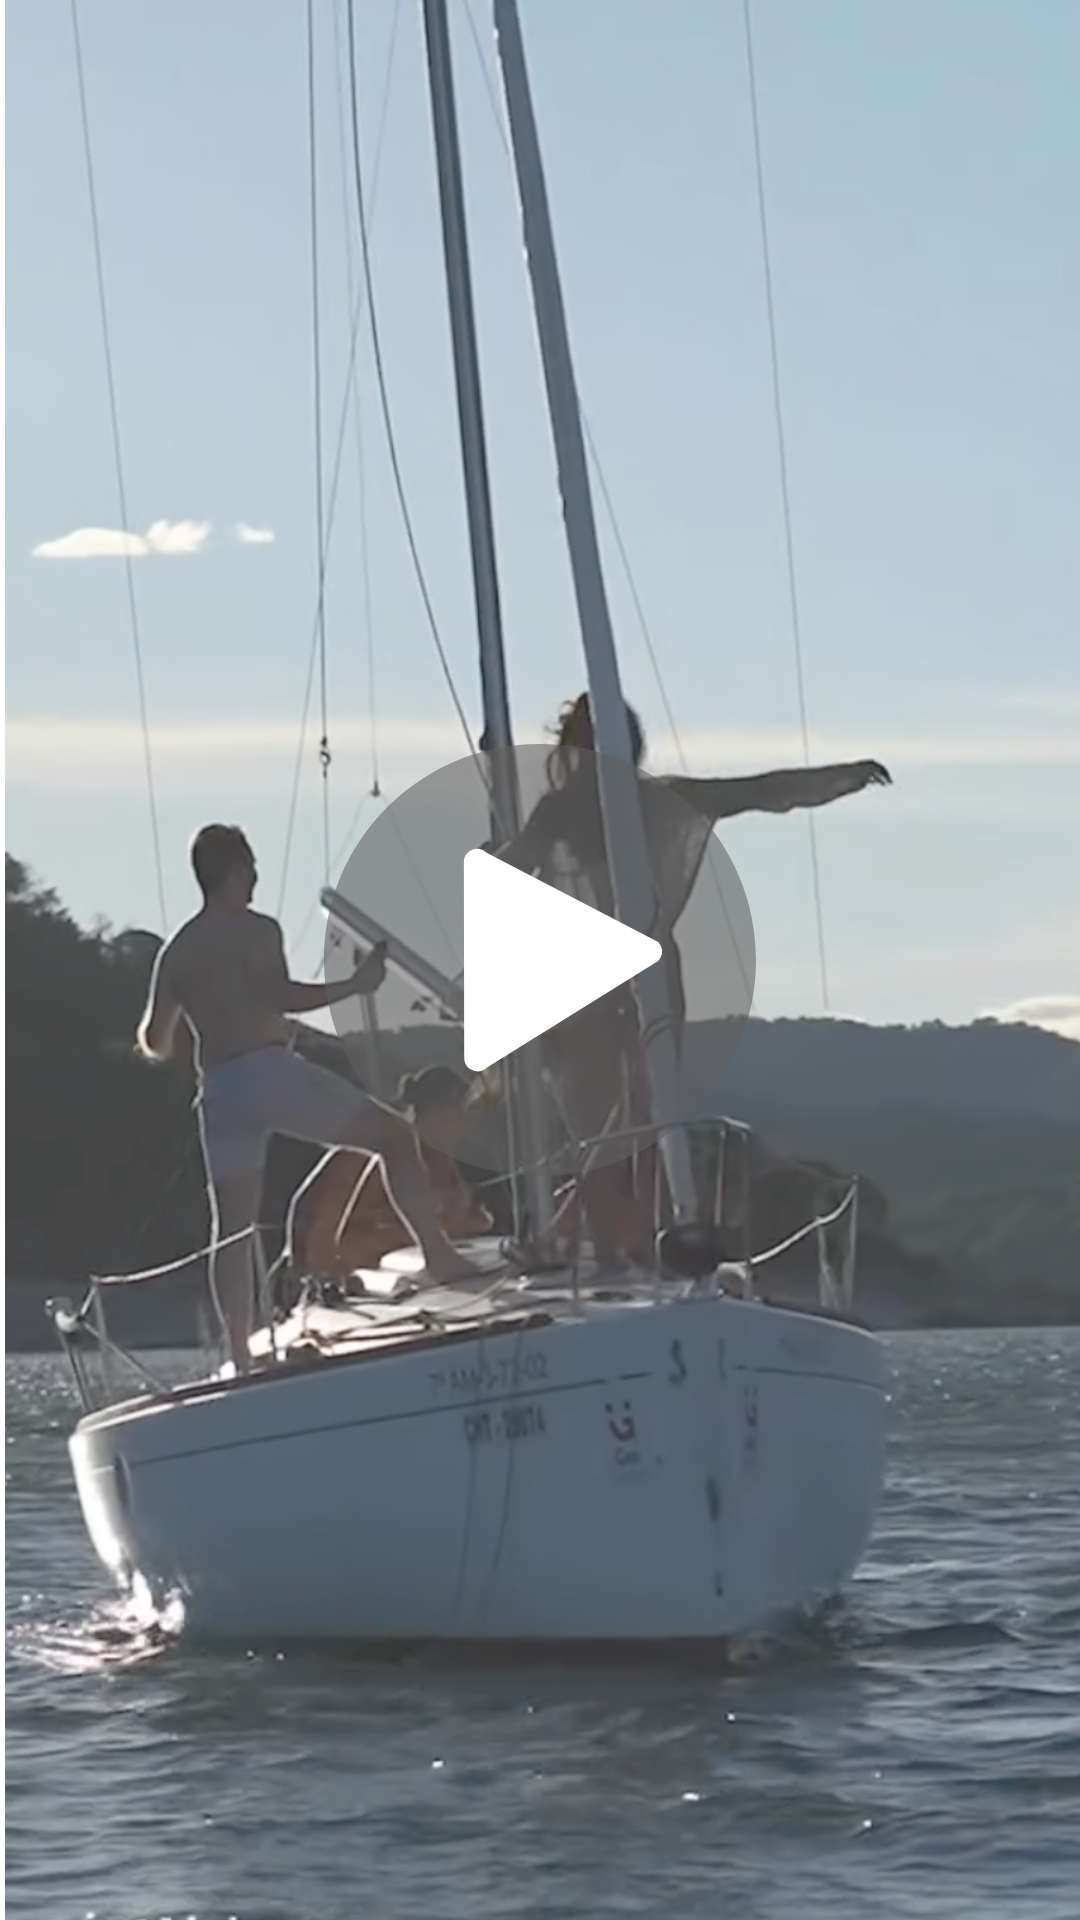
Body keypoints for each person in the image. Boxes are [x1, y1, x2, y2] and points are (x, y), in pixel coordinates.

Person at [491, 693, 891, 1266]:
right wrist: (842, 777)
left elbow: (759, 790)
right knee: (636, 1117)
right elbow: (761, 791)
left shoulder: (585, 806)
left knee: (624, 1117)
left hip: (604, 972)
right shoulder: (621, 803)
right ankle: (620, 1245)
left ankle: (614, 1246)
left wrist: (841, 777)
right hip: (619, 972)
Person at [137, 824, 480, 1371]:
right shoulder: (256, 930)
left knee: (230, 1230)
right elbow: (281, 994)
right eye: (250, 867)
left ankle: (238, 1353)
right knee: (394, 1137)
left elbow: (155, 1039)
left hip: (220, 1091)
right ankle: (439, 1257)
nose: (256, 877)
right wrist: (357, 985)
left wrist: (211, 1016)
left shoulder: (177, 951)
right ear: (232, 870)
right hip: (270, 1073)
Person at [291, 1065, 494, 1278]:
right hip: (372, 1279)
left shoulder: (442, 1157)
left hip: (423, 1278)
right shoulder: (367, 1152)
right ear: (438, 1112)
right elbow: (322, 1227)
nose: (464, 1124)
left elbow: (461, 1217)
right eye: (461, 1113)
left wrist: (473, 1220)